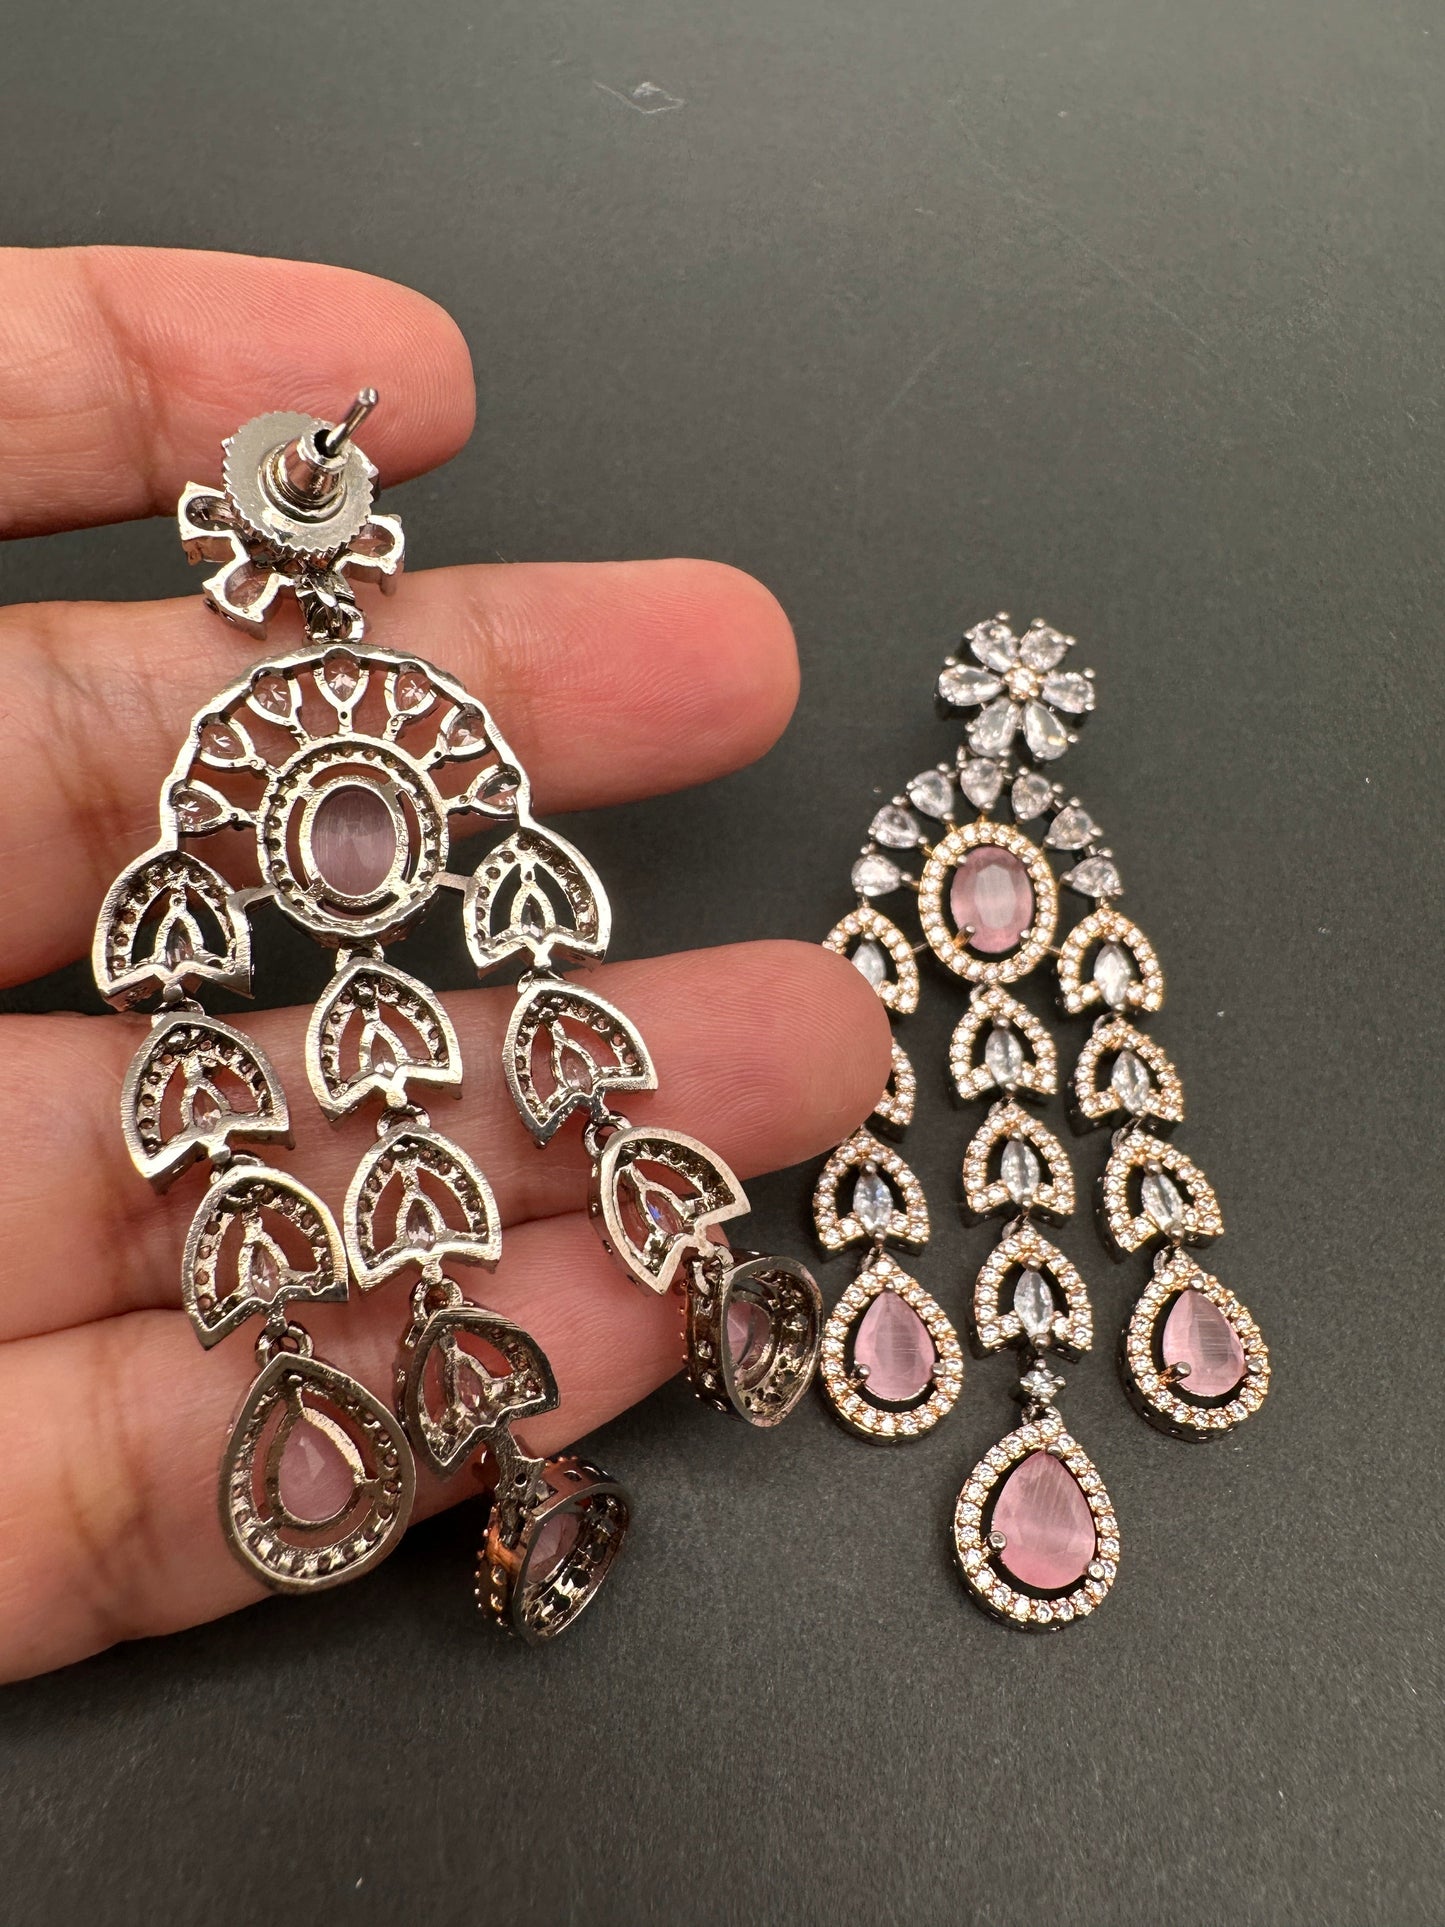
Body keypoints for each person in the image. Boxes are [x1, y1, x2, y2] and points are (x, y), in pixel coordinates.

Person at [0, 245, 890, 1680]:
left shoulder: (411, 739)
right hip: (338, 903)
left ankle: (612, 1382)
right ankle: (514, 1463)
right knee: (344, 1197)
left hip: (408, 891)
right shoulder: (246, 756)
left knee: (548, 1118)